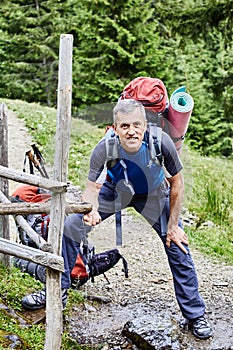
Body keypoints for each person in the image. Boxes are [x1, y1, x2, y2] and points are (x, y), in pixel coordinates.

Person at [22, 99, 212, 339]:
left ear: (145, 124)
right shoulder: (105, 147)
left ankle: (195, 315)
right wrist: (90, 209)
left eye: (136, 125)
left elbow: (177, 184)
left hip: (153, 194)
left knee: (177, 245)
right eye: (124, 126)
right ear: (115, 127)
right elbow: (91, 187)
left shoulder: (161, 142)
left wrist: (173, 226)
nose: (131, 131)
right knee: (71, 227)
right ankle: (57, 291)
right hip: (115, 190)